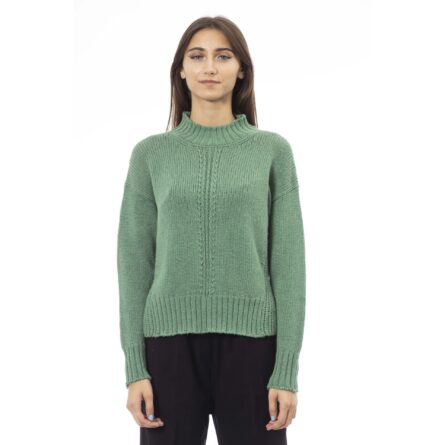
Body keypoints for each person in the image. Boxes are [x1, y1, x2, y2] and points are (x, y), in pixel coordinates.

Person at [117, 15, 306, 445]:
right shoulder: (150, 155)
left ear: (241, 70)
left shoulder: (272, 151)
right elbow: (133, 264)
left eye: (223, 56)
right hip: (168, 349)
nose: (209, 67)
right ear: (181, 70)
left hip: (253, 348)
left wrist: (286, 370)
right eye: (197, 56)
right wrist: (135, 369)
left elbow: (289, 265)